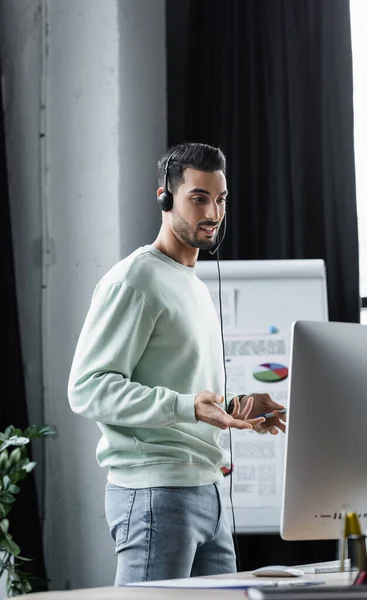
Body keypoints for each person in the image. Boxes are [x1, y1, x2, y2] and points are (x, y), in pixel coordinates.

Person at [68, 142, 286, 585]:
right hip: (156, 493)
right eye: (199, 198)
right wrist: (187, 407)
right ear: (165, 199)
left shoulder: (192, 285)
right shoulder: (135, 280)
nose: (213, 212)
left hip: (208, 489)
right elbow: (88, 387)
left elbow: (182, 388)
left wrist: (239, 403)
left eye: (220, 199)